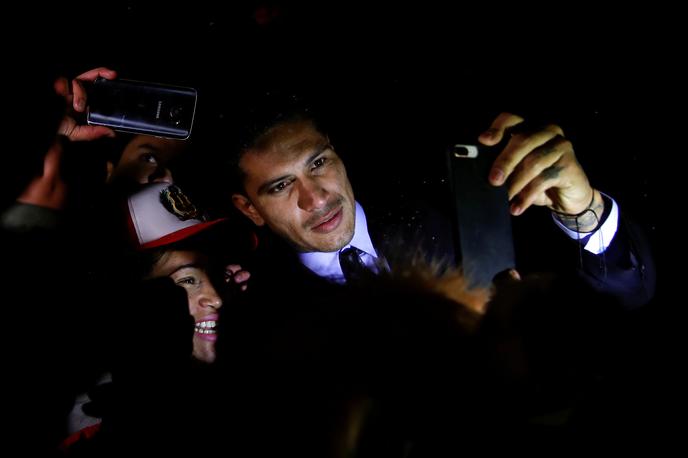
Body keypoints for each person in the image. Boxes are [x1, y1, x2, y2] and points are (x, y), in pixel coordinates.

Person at [226, 94, 654, 309]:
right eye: (281, 186)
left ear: (336, 152)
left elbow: (625, 297)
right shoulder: (261, 308)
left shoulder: (458, 209)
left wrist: (581, 211)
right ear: (249, 208)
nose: (316, 196)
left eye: (318, 162)